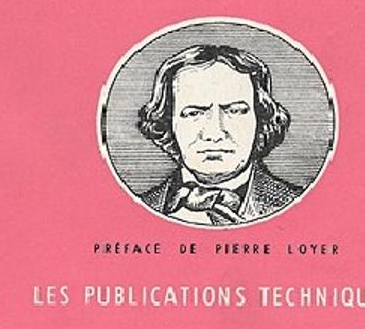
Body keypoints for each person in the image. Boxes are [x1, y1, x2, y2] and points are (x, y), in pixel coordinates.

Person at [130, 43, 310, 224]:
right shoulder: (137, 209)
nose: (214, 133)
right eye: (194, 113)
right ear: (168, 122)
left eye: (235, 111)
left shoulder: (302, 207)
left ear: (261, 119)